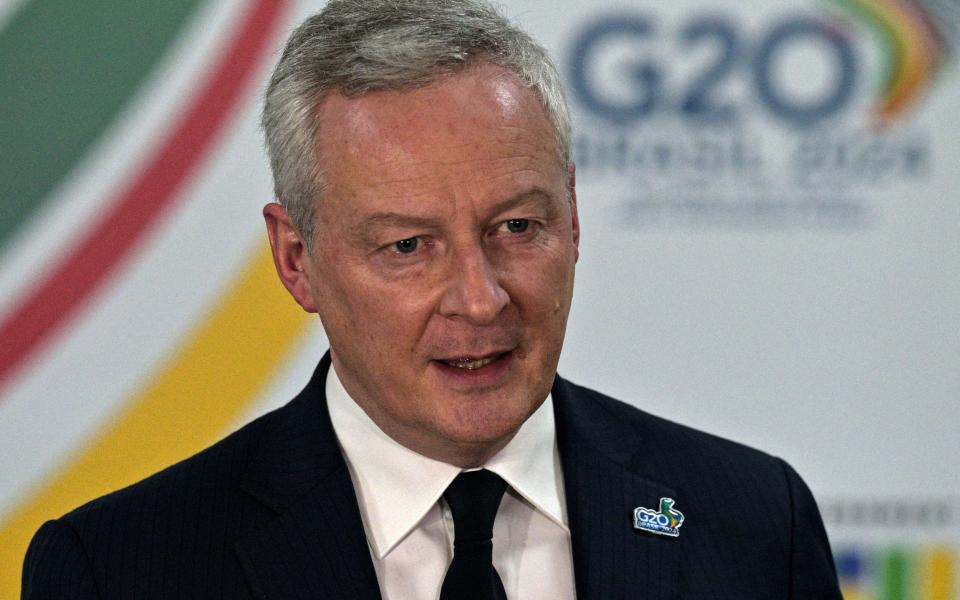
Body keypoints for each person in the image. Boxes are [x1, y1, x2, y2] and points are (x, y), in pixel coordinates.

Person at [21, 1, 842, 598]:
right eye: (408, 247)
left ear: (575, 216)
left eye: (518, 226)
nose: (481, 300)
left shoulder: (753, 524)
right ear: (296, 259)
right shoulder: (121, 568)